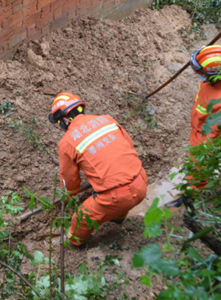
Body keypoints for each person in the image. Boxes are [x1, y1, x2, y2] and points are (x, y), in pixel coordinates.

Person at [48, 92, 147, 247]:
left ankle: (75, 244)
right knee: (117, 198)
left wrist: (68, 198)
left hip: (117, 198)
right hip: (141, 183)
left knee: (81, 219)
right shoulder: (107, 119)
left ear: (65, 119)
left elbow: (71, 181)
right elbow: (128, 145)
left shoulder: (66, 143)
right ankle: (117, 219)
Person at [186, 45, 221, 189]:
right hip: (199, 128)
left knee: (199, 169)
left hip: (205, 138)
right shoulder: (216, 78)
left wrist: (201, 152)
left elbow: (214, 136)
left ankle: (193, 196)